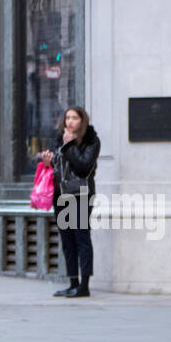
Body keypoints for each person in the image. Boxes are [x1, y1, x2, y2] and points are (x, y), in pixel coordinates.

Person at [40, 105, 100, 298]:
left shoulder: (92, 141)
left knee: (82, 239)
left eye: (74, 118)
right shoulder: (60, 139)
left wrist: (70, 146)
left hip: (81, 196)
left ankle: (84, 286)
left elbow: (83, 167)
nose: (70, 122)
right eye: (67, 118)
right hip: (61, 196)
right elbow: (58, 166)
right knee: (67, 241)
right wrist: (47, 161)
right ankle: (73, 282)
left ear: (82, 121)